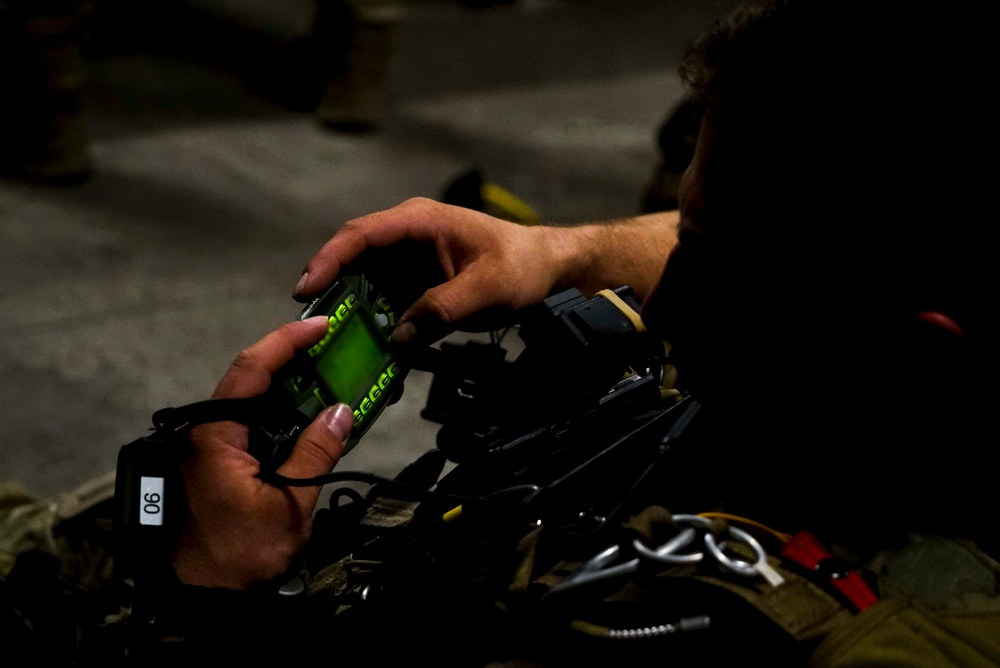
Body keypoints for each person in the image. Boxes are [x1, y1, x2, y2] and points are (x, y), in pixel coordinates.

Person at [22, 0, 993, 664]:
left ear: (915, 351)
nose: (660, 297)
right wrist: (561, 251)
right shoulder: (895, 319)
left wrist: (208, 598)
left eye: (708, 265)